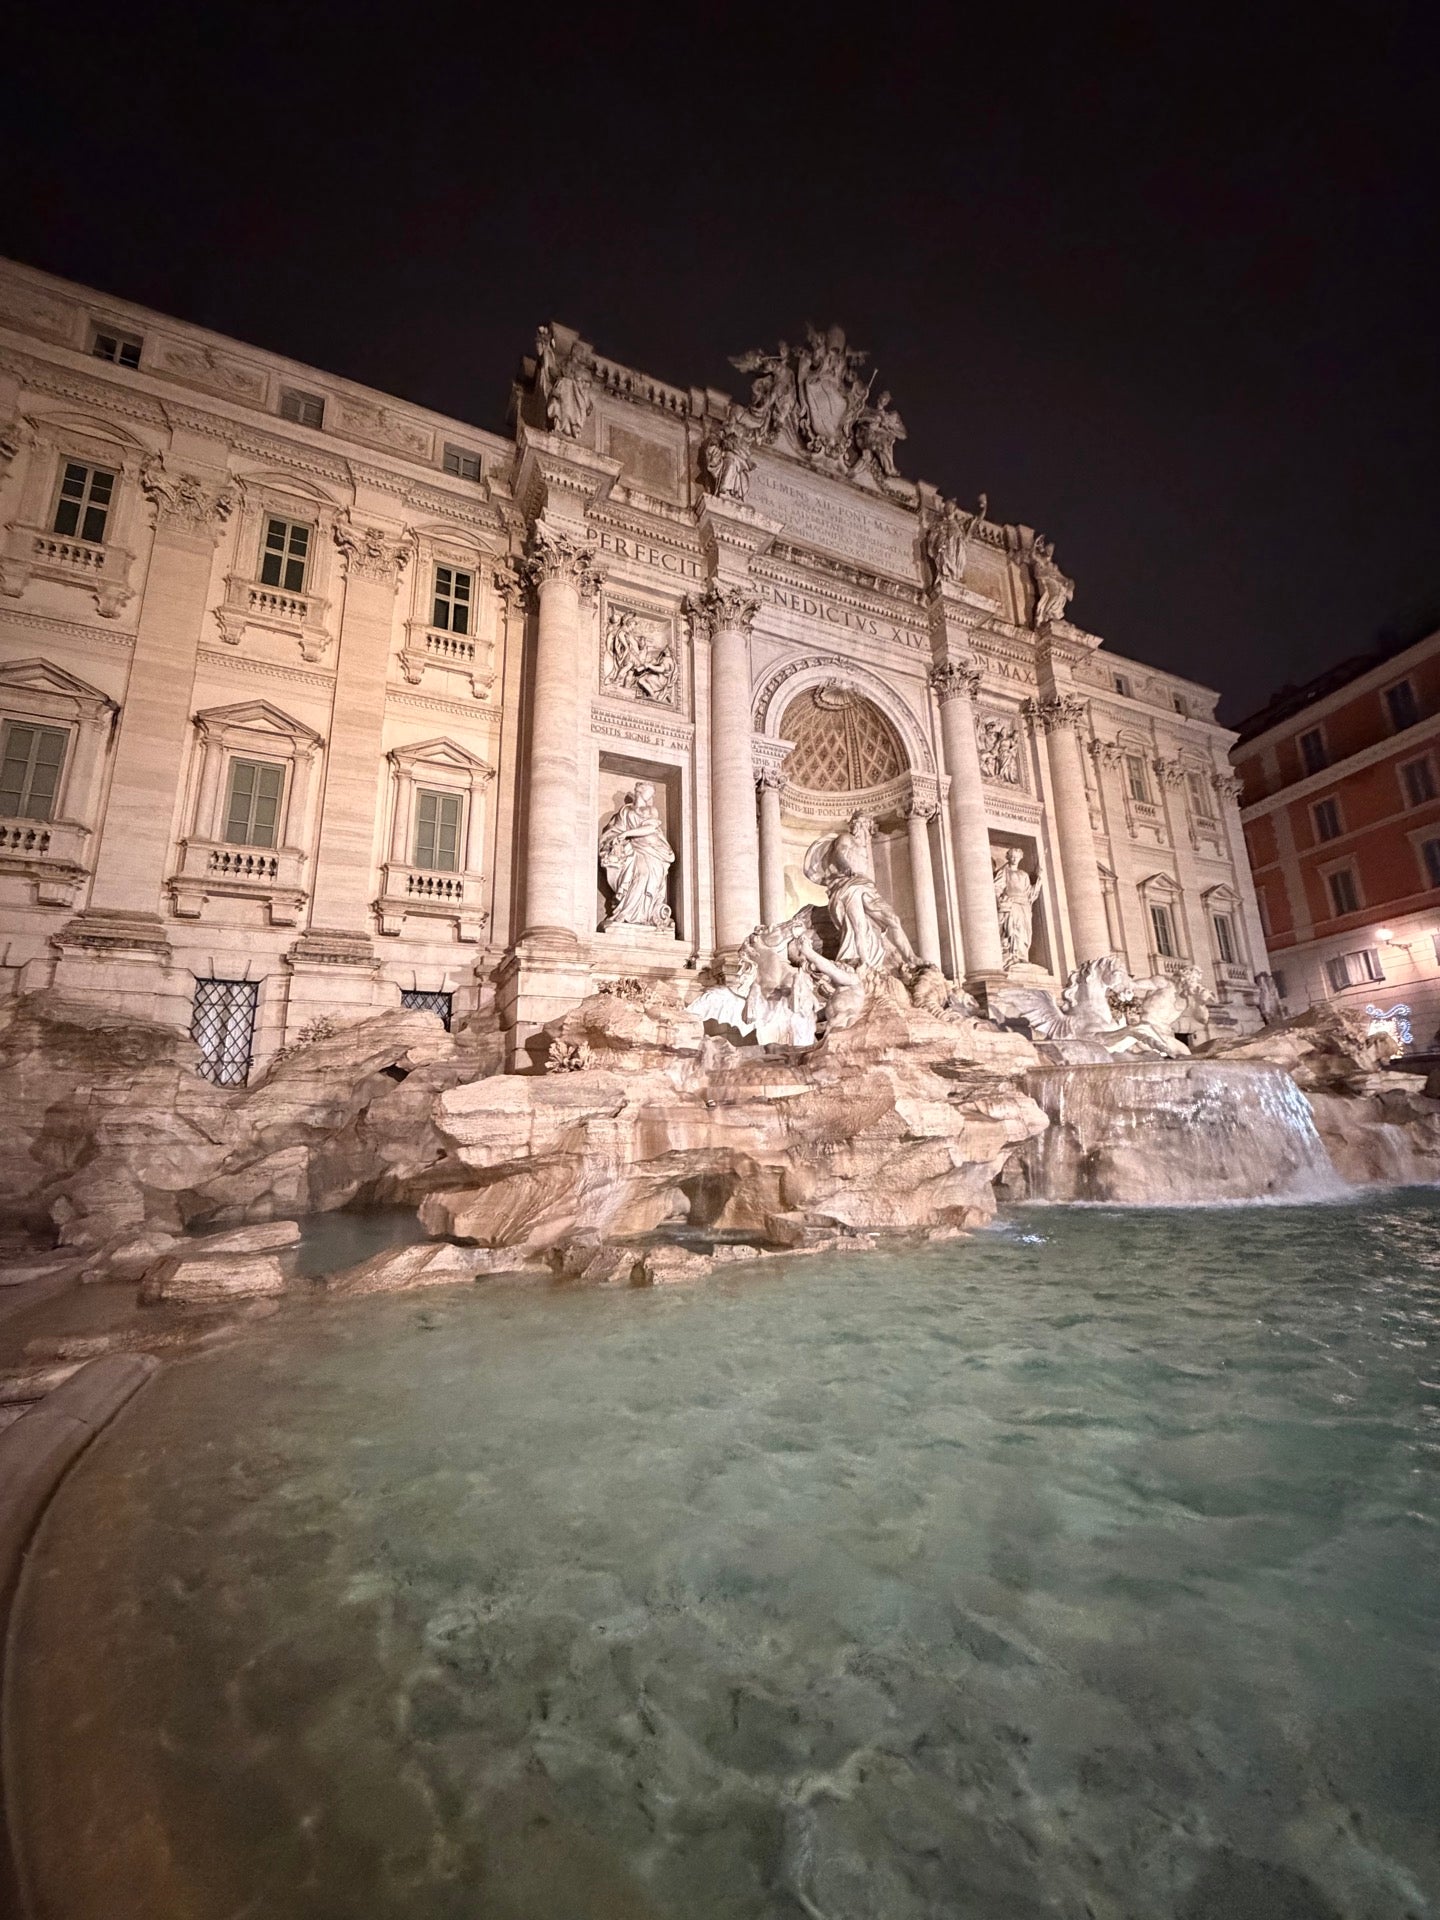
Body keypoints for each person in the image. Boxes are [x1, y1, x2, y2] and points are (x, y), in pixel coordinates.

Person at [598, 782, 674, 929]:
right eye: (650, 793)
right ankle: (627, 913)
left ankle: (646, 915)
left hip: (654, 851)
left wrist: (626, 833)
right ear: (640, 791)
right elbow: (613, 831)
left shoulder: (651, 810)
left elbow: (650, 828)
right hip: (635, 850)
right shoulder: (625, 812)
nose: (651, 796)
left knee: (649, 878)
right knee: (640, 876)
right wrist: (616, 839)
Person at [993, 847, 1041, 969]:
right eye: (1012, 856)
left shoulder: (1024, 874)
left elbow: (1030, 894)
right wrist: (1002, 898)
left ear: (1021, 858)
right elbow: (997, 887)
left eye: (1017, 857)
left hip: (1024, 905)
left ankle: (1022, 955)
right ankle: (1012, 956)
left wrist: (1039, 879)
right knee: (1013, 929)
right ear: (1008, 857)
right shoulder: (1004, 872)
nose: (1014, 859)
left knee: (1024, 931)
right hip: (1011, 903)